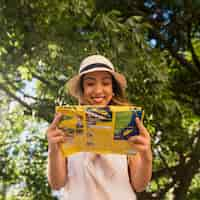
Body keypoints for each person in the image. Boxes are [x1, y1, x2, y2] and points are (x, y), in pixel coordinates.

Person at [47, 55, 152, 200]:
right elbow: (57, 184)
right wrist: (53, 149)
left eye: (106, 83)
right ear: (82, 90)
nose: (98, 90)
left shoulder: (127, 125)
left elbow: (139, 185)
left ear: (113, 89)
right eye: (90, 84)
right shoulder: (66, 126)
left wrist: (147, 156)